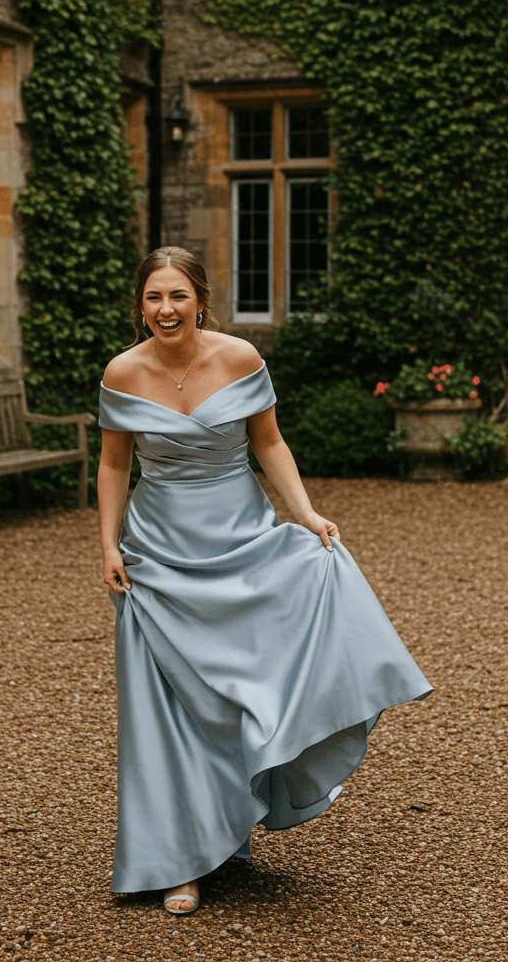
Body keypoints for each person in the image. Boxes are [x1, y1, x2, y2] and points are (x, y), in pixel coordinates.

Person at [98, 246, 432, 915]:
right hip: (157, 558)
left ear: (201, 300)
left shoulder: (241, 358)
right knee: (168, 712)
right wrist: (108, 543)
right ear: (140, 306)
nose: (166, 309)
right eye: (154, 297)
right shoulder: (122, 372)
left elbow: (269, 442)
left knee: (243, 690)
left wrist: (303, 513)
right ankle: (177, 863)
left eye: (178, 296)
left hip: (242, 543)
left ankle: (224, 826)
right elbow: (113, 465)